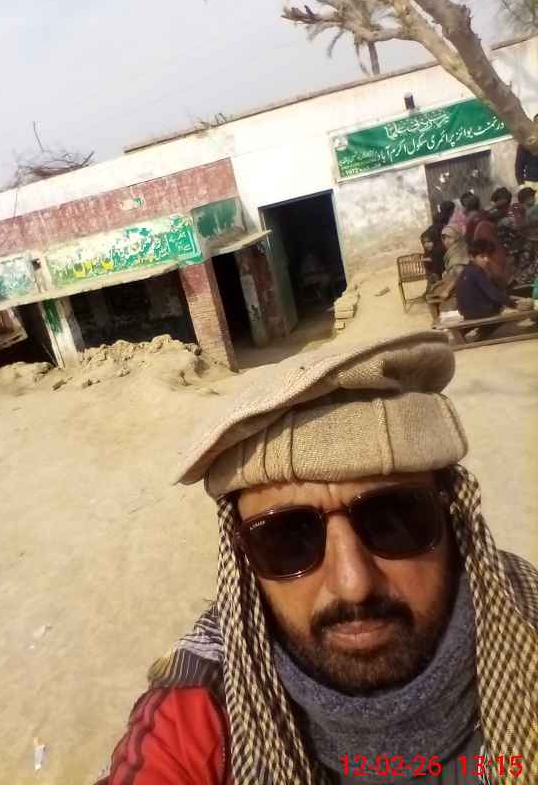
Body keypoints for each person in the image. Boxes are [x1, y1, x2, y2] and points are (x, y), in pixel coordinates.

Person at [99, 333, 538, 785]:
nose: (353, 584)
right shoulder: (196, 712)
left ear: (451, 519)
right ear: (244, 560)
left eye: (394, 521)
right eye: (288, 538)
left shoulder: (527, 628)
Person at [455, 239, 515, 322]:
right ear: (471, 257)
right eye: (482, 256)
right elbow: (494, 294)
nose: (487, 260)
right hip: (480, 312)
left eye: (488, 256)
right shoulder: (476, 271)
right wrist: (514, 304)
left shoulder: (466, 270)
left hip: (466, 313)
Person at [515, 116, 538, 189]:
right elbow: (519, 166)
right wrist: (521, 185)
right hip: (532, 184)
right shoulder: (526, 142)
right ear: (534, 125)